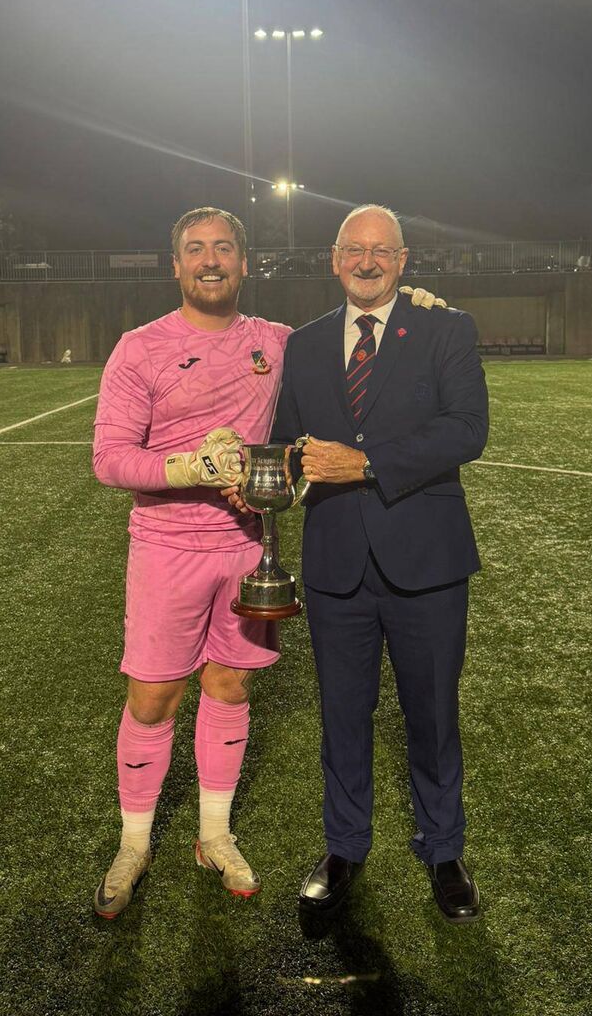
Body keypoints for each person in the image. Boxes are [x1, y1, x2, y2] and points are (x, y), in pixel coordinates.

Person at [270, 204, 489, 925]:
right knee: (342, 716)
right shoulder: (301, 345)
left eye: (382, 251)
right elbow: (284, 444)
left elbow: (467, 429)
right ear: (334, 260)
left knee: (431, 714)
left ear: (403, 260)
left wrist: (365, 463)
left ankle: (444, 848)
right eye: (354, 251)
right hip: (337, 564)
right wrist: (262, 470)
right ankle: (344, 846)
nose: (368, 262)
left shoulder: (445, 328)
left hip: (427, 563)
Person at [90, 207, 291, 917]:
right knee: (153, 697)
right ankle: (135, 842)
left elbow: (362, 363)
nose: (211, 260)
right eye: (196, 250)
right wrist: (187, 465)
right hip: (166, 548)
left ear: (245, 262)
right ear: (175, 265)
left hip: (245, 548)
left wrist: (415, 306)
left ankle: (214, 834)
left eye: (225, 248)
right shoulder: (140, 348)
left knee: (231, 686)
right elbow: (109, 459)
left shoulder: (277, 343)